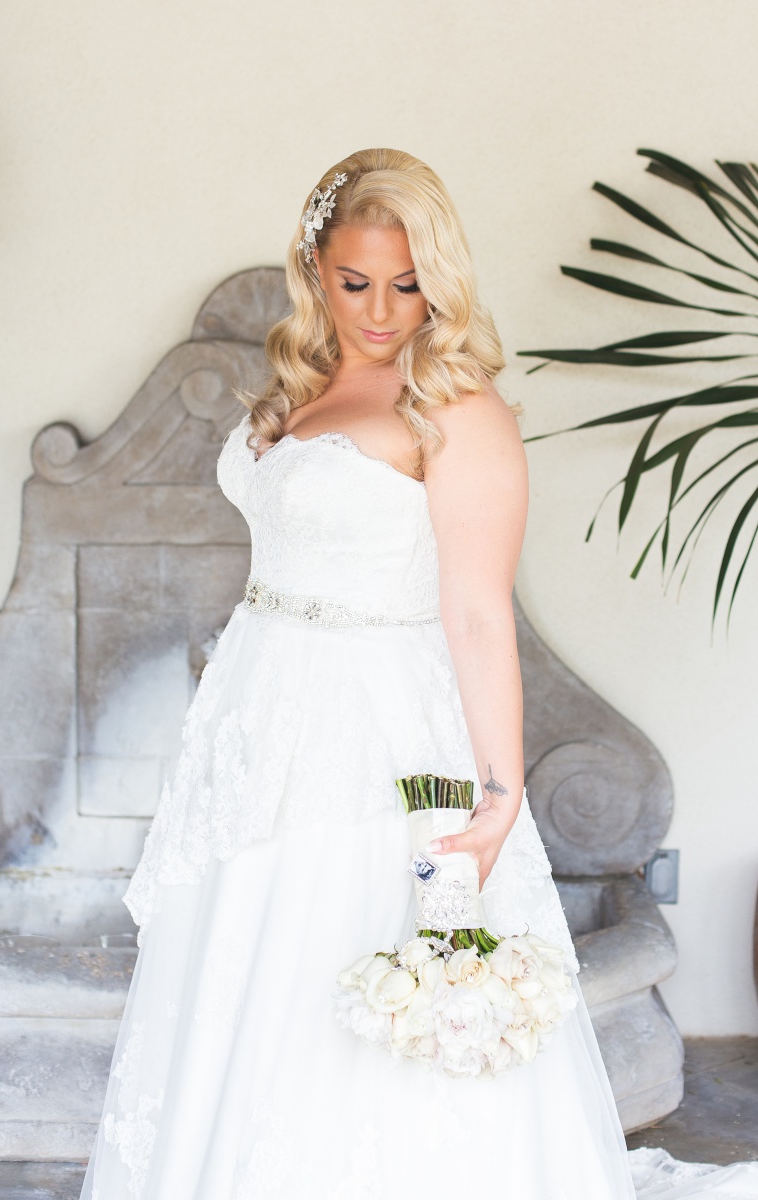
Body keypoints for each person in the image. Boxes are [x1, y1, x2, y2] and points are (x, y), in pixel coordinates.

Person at [80, 148, 758, 1200]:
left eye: (407, 284)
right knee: (246, 966)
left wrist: (498, 792)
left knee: (349, 958)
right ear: (315, 269)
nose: (382, 311)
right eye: (355, 282)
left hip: (374, 729)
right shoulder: (302, 384)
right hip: (258, 717)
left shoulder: (459, 409)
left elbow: (479, 613)